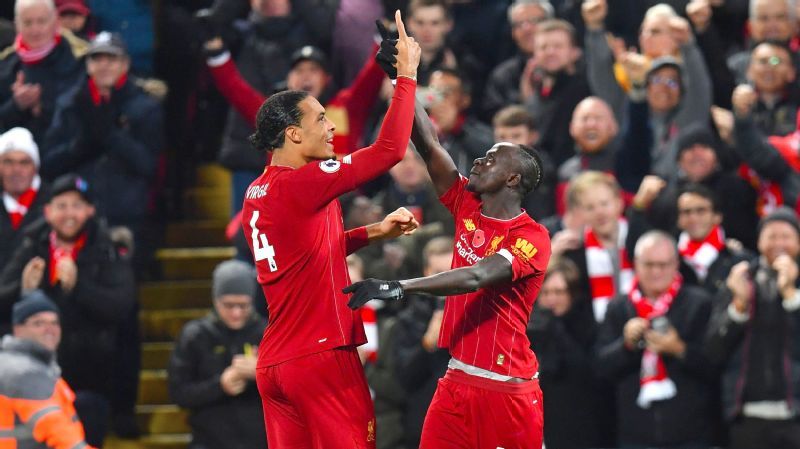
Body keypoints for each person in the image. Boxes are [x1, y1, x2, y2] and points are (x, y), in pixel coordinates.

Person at [345, 34, 551, 448]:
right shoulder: (466, 204)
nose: (478, 160)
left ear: (513, 179)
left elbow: (476, 277)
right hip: (456, 378)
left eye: (491, 159)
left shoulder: (532, 237)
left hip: (508, 389)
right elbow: (428, 143)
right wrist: (403, 78)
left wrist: (400, 286)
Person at [240, 12, 420, 449]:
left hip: (277, 363)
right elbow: (390, 150)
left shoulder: (257, 192)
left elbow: (307, 254)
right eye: (320, 119)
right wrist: (407, 77)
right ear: (293, 134)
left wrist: (373, 232)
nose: (332, 125)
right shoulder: (304, 183)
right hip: (320, 357)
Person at [0, 173, 137, 447]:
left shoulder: (107, 248)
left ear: (90, 210)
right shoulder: (31, 244)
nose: (69, 214)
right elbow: (4, 301)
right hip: (34, 379)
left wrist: (79, 287)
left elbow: (121, 306)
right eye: (62, 206)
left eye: (77, 206)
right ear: (48, 211)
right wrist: (23, 291)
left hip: (92, 377)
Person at [595, 231, 716, 448]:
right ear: (636, 264)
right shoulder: (619, 307)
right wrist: (626, 345)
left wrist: (679, 349)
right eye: (649, 264)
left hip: (691, 435)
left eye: (663, 265)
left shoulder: (699, 303)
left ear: (676, 264)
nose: (656, 272)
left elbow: (715, 365)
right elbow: (599, 367)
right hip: (635, 436)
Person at [706, 207, 800, 449]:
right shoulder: (739, 280)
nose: (778, 243)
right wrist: (739, 306)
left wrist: (791, 295)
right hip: (747, 415)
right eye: (771, 236)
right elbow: (714, 350)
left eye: (786, 236)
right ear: (758, 242)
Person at [168, 260, 267, 449]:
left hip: (259, 441)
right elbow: (178, 393)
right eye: (228, 305)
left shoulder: (267, 334)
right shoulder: (195, 336)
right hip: (209, 441)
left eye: (243, 305)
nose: (236, 313)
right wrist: (220, 385)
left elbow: (297, 388)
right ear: (215, 300)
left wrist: (264, 373)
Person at [0, 290, 95, 449]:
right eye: (38, 323)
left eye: (54, 323)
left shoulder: (31, 365)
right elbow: (54, 427)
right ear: (17, 329)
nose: (49, 329)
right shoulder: (23, 372)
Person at [0, 0, 87, 142]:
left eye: (41, 21)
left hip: (68, 148)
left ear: (55, 21)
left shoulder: (79, 58)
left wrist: (44, 107)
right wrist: (16, 105)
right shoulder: (5, 64)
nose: (35, 30)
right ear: (17, 25)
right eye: (27, 23)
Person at [0, 127, 47, 274]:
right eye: (8, 162)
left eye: (24, 162)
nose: (16, 170)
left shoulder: (55, 202)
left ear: (35, 167)